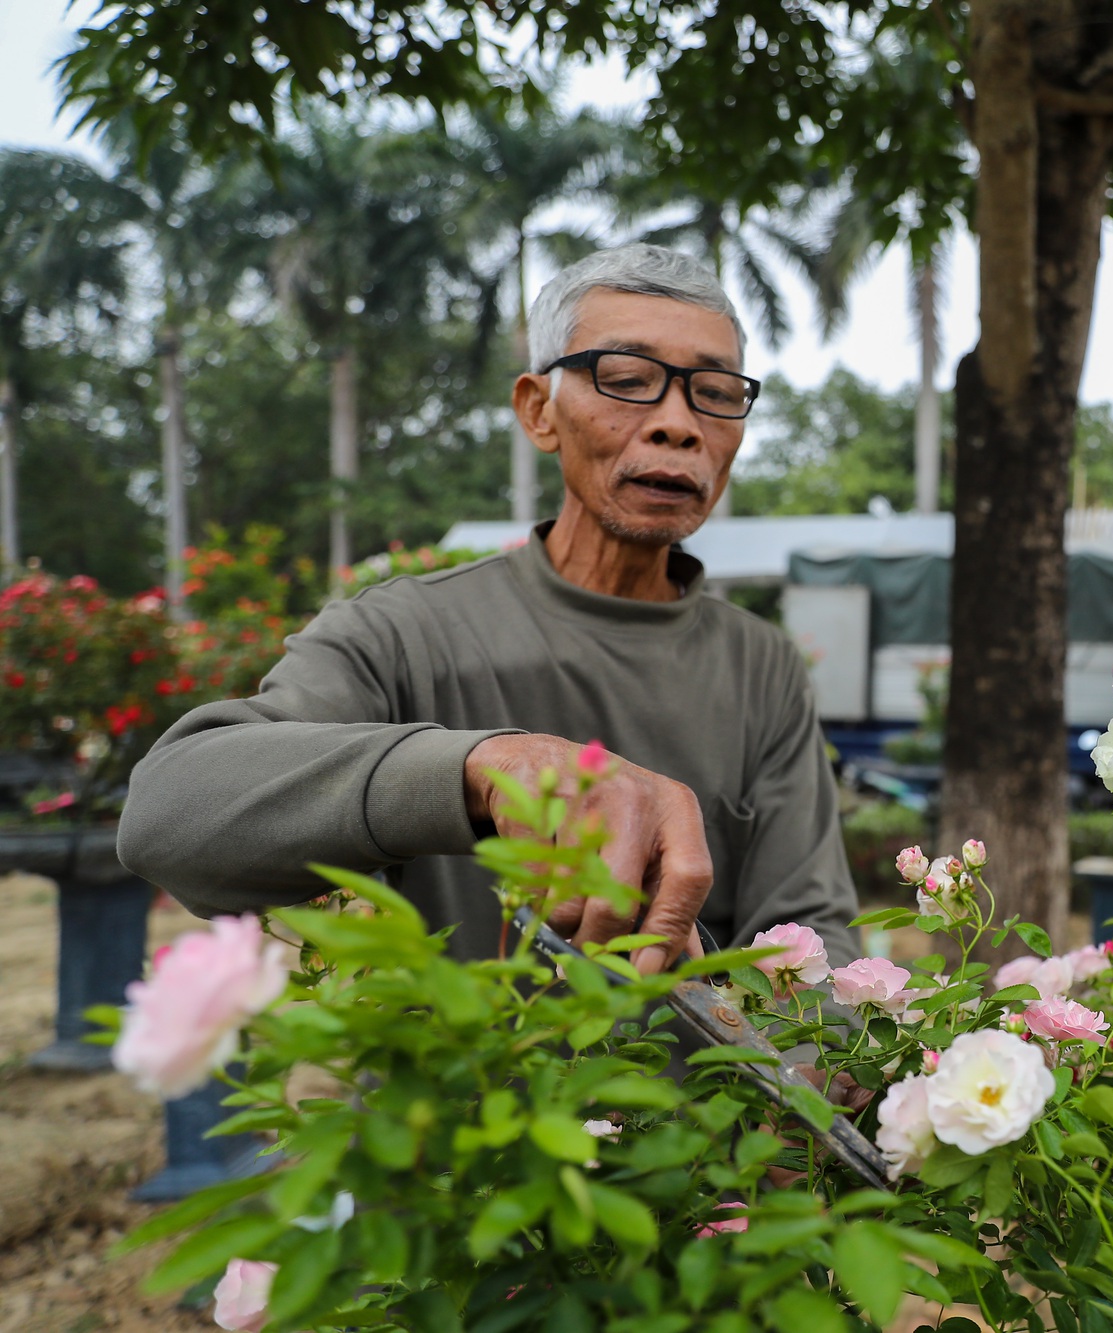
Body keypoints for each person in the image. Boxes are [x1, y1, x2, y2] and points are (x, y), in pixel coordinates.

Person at [120, 245, 858, 973]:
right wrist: (484, 769)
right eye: (629, 379)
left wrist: (823, 1053)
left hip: (707, 1094)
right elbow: (167, 815)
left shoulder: (760, 663)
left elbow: (811, 926)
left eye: (718, 393)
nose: (680, 423)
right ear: (539, 411)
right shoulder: (399, 632)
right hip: (464, 1093)